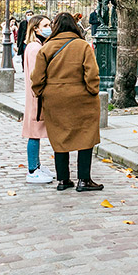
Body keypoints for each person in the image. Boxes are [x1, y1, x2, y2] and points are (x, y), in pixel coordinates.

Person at [30, 12, 103, 192]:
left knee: (59, 138)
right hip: (81, 98)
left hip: (54, 98)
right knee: (85, 138)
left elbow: (36, 78)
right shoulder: (83, 46)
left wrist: (43, 92)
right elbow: (92, 74)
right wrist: (92, 91)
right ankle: (84, 180)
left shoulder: (46, 48)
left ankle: (63, 180)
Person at [22, 14, 54, 184]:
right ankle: (32, 169)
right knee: (34, 133)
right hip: (37, 96)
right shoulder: (35, 48)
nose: (49, 27)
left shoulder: (35, 46)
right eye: (46, 24)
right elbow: (38, 74)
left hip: (35, 95)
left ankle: (36, 165)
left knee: (35, 132)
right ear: (35, 28)